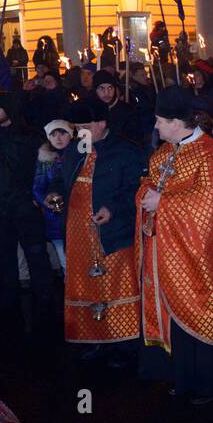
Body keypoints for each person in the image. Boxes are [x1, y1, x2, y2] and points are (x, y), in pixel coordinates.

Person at [138, 90, 213, 403]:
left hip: (202, 255)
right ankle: (183, 376)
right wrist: (147, 198)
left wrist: (162, 201)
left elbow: (210, 204)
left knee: (201, 312)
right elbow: (147, 185)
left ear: (177, 122)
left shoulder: (211, 152)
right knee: (175, 316)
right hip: (168, 249)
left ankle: (208, 383)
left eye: (160, 121)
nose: (156, 127)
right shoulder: (163, 153)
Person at [46, 98, 144, 367]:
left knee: (115, 285)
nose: (79, 131)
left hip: (111, 232)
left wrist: (112, 209)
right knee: (86, 286)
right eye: (76, 126)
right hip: (78, 233)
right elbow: (59, 179)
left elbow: (137, 190)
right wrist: (53, 193)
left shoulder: (126, 151)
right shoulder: (75, 150)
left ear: (102, 123)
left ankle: (124, 345)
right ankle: (94, 339)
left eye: (84, 125)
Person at [0, 92, 56, 330]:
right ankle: (10, 306)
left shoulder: (31, 137)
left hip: (25, 206)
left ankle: (45, 304)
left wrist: (39, 198)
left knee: (36, 256)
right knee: (5, 259)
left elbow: (45, 171)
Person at [33, 120, 73, 273]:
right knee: (66, 263)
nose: (58, 138)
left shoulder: (81, 155)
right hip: (55, 217)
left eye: (62, 133)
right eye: (53, 134)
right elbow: (37, 187)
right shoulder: (45, 161)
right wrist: (48, 201)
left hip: (78, 214)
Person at [91, 69, 142, 146]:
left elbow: (135, 140)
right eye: (102, 88)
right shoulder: (88, 110)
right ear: (95, 90)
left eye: (110, 88)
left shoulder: (127, 112)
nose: (106, 93)